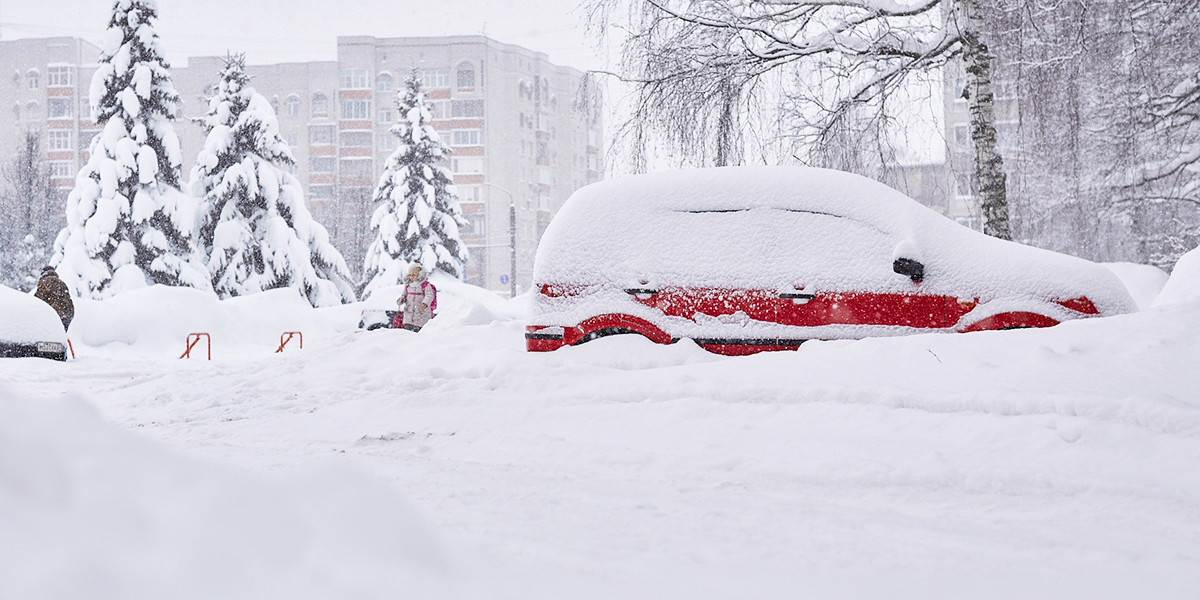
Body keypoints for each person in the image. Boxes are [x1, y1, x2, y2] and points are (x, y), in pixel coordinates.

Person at [34, 266, 74, 332]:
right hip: (67, 315)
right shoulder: (62, 283)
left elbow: (38, 299)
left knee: (50, 336)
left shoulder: (44, 281)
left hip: (54, 315)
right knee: (60, 336)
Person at [396, 264, 434, 332]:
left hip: (421, 316)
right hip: (408, 316)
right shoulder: (408, 285)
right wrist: (401, 300)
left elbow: (429, 295)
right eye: (410, 275)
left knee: (418, 337)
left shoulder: (425, 285)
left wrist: (424, 303)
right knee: (408, 335)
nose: (411, 277)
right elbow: (404, 295)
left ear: (419, 275)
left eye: (414, 275)